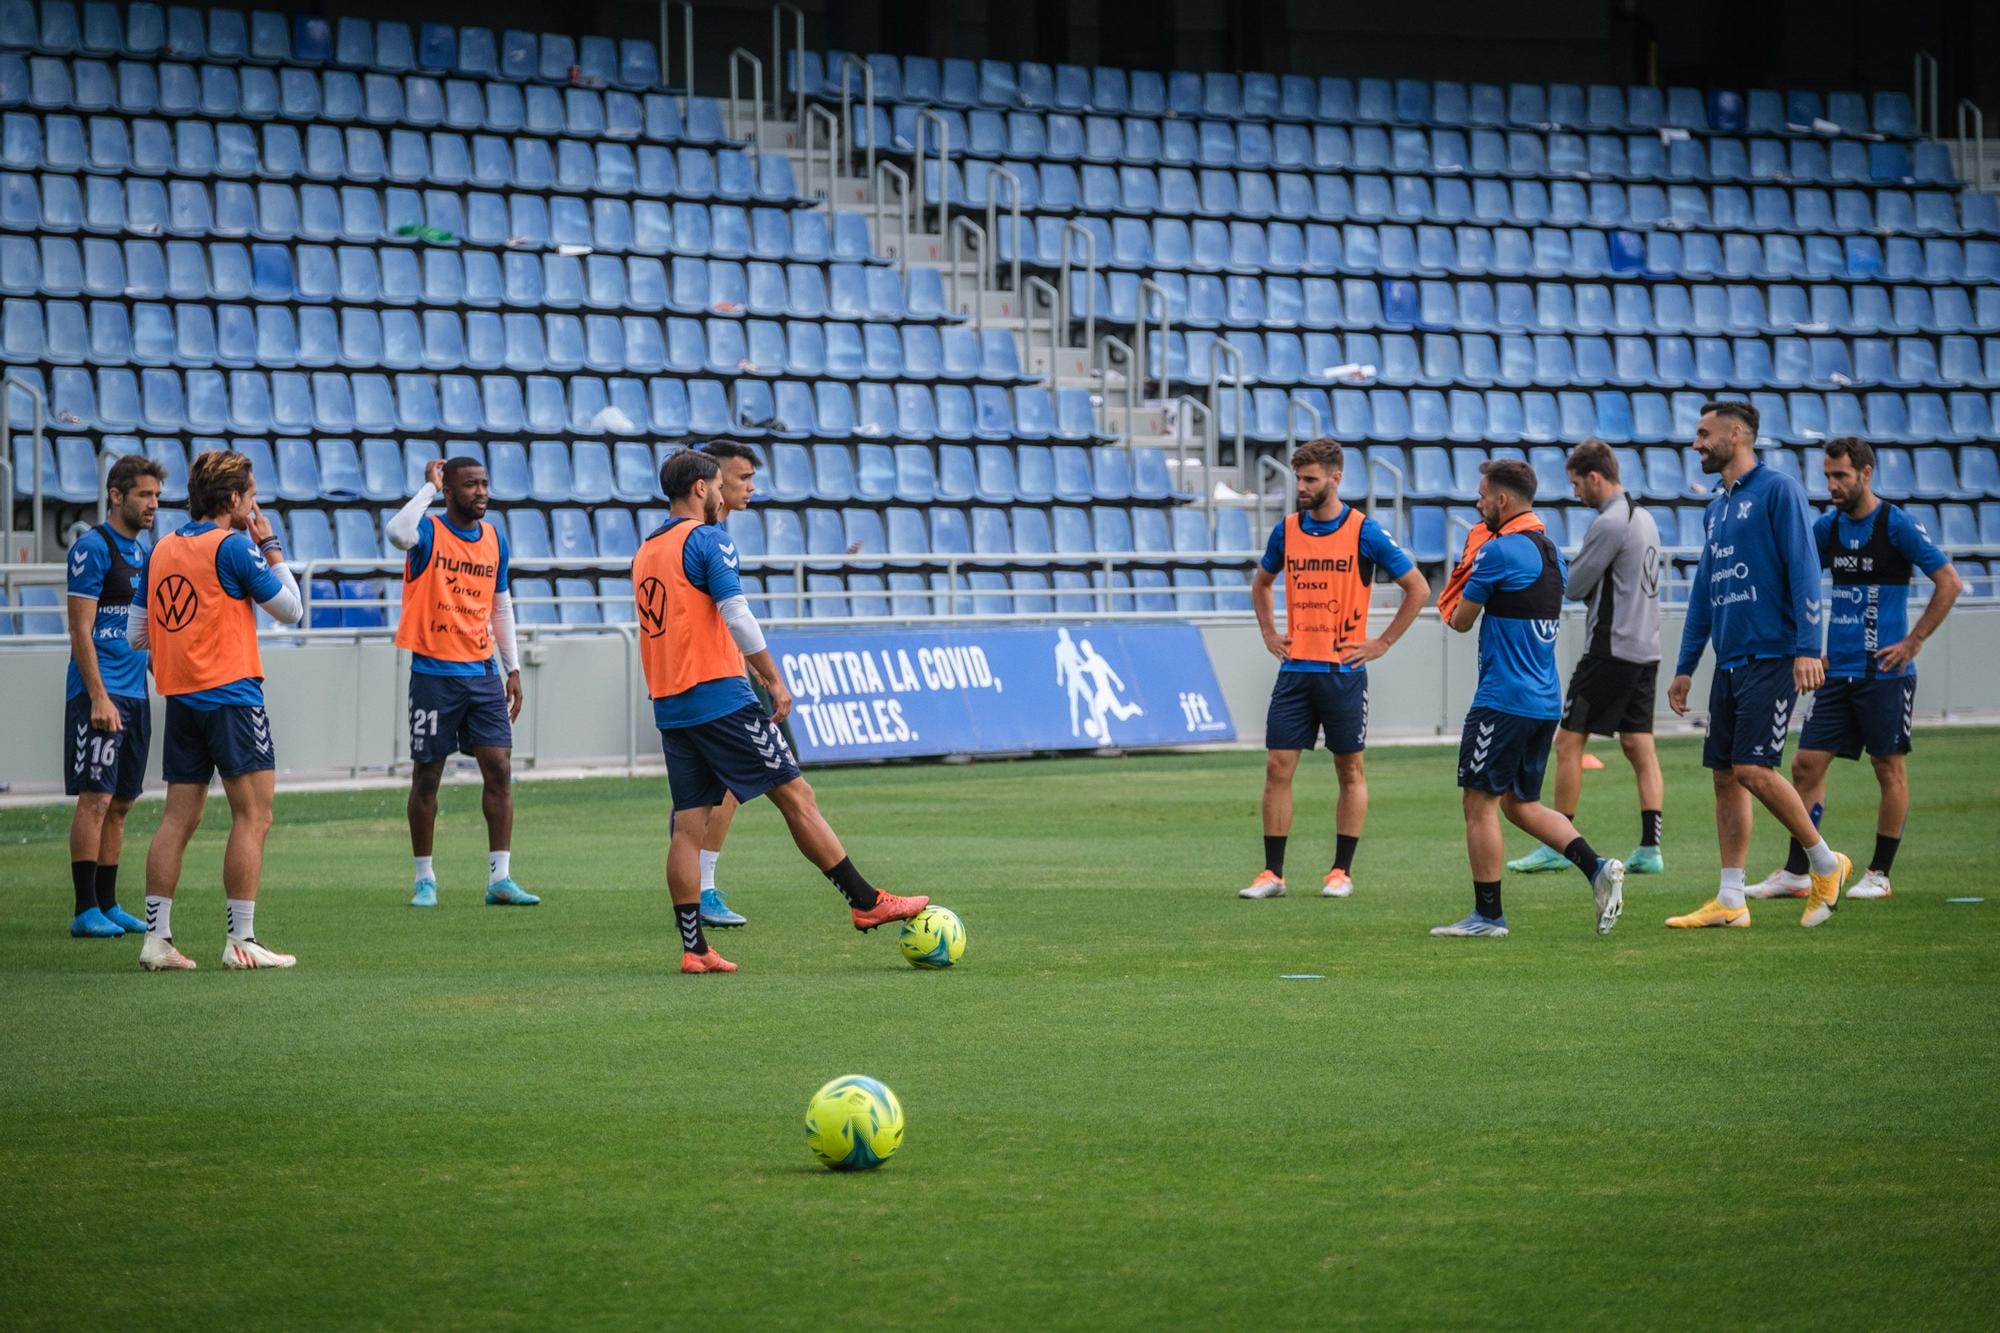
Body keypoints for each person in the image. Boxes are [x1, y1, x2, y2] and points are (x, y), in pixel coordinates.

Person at [633, 450, 928, 974]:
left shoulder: (647, 549)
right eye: (720, 486)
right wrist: (771, 676)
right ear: (701, 489)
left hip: (672, 705)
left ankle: (694, 948)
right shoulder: (707, 539)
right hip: (720, 697)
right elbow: (736, 612)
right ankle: (865, 901)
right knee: (797, 795)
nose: (725, 494)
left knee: (688, 825)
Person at [1747, 438, 1961, 903]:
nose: (1832, 485)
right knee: (1804, 766)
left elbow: (1949, 581)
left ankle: (1879, 873)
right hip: (1837, 672)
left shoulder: (1895, 524)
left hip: (1885, 674)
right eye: (1827, 476)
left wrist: (1914, 640)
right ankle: (1798, 872)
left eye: (1840, 475)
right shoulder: (1830, 528)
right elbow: (1799, 576)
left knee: (1888, 769)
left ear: (1866, 473)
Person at [1667, 401, 1850, 929]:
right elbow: (1704, 591)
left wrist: (1806, 647)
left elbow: (1802, 566)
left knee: (1752, 768)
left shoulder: (1779, 489)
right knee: (1726, 776)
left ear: (1738, 433)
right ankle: (1730, 899)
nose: (1697, 443)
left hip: (1773, 654)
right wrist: (1685, 665)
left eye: (1704, 433)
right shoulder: (1716, 507)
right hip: (1730, 660)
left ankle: (1823, 862)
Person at [129, 450, 305, 971]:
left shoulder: (160, 548)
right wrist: (269, 545)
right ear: (233, 499)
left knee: (177, 818)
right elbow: (291, 610)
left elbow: (139, 634)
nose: (252, 507)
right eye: (250, 498)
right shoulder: (232, 547)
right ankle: (240, 940)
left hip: (181, 698)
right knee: (254, 816)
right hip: (232, 698)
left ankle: (156, 940)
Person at [1433, 459, 1625, 939]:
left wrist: (1466, 567)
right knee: (1520, 804)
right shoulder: (1553, 552)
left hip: (1502, 700)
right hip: (1542, 701)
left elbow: (1459, 620)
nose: (1477, 506)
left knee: (1478, 804)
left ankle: (1488, 916)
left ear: (1503, 501)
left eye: (1482, 498)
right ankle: (1596, 867)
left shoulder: (1498, 553)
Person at [1239, 439, 1430, 900]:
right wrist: (1269, 634)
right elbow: (1262, 582)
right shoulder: (1286, 530)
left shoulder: (1364, 531)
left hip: (1343, 672)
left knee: (1349, 769)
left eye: (1310, 480)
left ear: (1335, 479)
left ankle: (1340, 872)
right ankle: (1272, 874)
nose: (1301, 488)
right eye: (1298, 479)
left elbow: (1418, 588)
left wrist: (1381, 642)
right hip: (1296, 670)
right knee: (1277, 766)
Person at [1507, 441, 1667, 877]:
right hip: (1646, 647)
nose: (1576, 493)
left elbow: (1573, 587)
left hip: (1610, 649)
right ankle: (1651, 847)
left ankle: (1559, 842)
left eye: (1577, 484)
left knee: (1568, 741)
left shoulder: (1609, 523)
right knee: (1639, 745)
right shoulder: (1646, 517)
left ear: (1595, 477)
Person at [386, 455, 537, 909]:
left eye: (485, 483)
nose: (482, 491)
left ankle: (500, 878)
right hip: (434, 673)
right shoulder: (428, 531)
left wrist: (511, 667)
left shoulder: (494, 539)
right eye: (470, 485)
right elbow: (396, 532)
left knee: (499, 766)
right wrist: (427, 489)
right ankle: (425, 878)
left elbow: (501, 605)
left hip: (482, 673)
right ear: (449, 491)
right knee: (428, 775)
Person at [62, 453, 166, 939]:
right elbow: (80, 632)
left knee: (122, 801)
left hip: (136, 695)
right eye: (144, 495)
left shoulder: (147, 553)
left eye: (157, 496)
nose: (153, 504)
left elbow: (142, 632)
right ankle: (85, 910)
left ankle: (108, 901)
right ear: (117, 495)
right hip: (99, 694)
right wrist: (98, 695)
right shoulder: (93, 548)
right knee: (96, 799)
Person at [683, 440, 762, 929]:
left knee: (711, 792)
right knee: (729, 786)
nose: (749, 487)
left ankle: (697, 889)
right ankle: (703, 889)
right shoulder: (706, 536)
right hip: (709, 680)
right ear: (711, 482)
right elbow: (729, 610)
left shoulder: (708, 533)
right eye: (742, 477)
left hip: (714, 671)